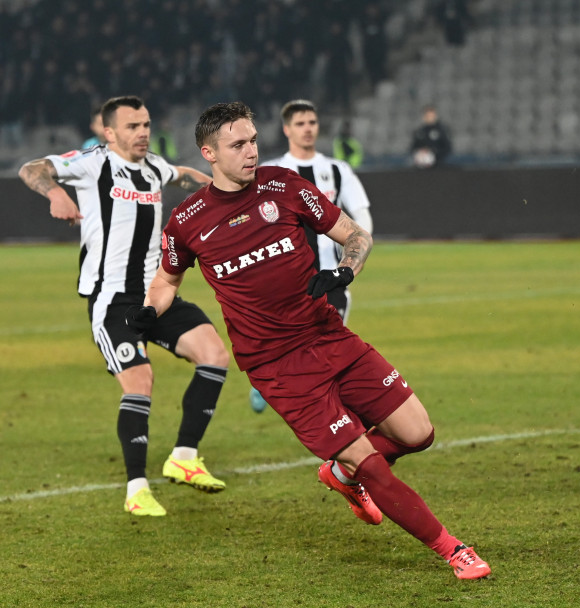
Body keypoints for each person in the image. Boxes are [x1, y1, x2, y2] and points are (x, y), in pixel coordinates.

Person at [138, 101, 490, 579]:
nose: (251, 152)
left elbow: (355, 235)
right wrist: (150, 310)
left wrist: (345, 270)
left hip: (328, 334)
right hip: (276, 365)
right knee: (368, 462)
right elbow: (166, 280)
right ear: (209, 153)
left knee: (417, 433)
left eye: (253, 141)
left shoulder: (283, 186)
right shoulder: (188, 219)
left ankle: (340, 473)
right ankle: (453, 550)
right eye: (238, 145)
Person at [18, 95, 227, 517]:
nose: (143, 132)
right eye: (133, 126)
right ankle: (136, 489)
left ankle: (184, 458)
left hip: (156, 296)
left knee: (215, 355)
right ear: (109, 132)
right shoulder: (92, 163)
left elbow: (183, 175)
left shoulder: (153, 168)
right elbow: (31, 169)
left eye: (146, 124)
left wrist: (221, 189)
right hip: (113, 301)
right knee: (140, 380)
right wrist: (55, 193)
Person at [253, 99, 374, 413]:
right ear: (286, 129)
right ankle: (270, 376)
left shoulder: (337, 169)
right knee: (290, 347)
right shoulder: (272, 173)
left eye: (312, 122)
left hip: (331, 277)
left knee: (330, 353)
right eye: (300, 123)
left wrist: (355, 251)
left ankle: (334, 420)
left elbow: (361, 215)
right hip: (286, 280)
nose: (307, 129)